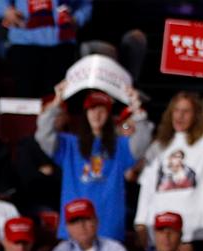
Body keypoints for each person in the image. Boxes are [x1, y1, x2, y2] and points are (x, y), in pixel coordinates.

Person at [134, 75, 203, 245]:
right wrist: (140, 222)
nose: (180, 116)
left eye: (186, 111)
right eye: (176, 110)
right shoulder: (158, 146)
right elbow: (147, 187)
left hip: (197, 231)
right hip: (161, 231)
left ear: (196, 115)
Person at [37, 84, 152, 242]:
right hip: (74, 229)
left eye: (102, 110)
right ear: (85, 114)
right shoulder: (69, 144)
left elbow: (143, 140)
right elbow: (43, 135)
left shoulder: (120, 146)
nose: (96, 115)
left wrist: (137, 110)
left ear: (109, 115)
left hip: (109, 229)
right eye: (92, 109)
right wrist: (57, 102)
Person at [0, 0, 90, 99]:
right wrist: (5, 11)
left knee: (59, 99)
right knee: (25, 100)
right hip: (24, 42)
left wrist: (77, 18)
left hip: (62, 43)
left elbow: (85, 3)